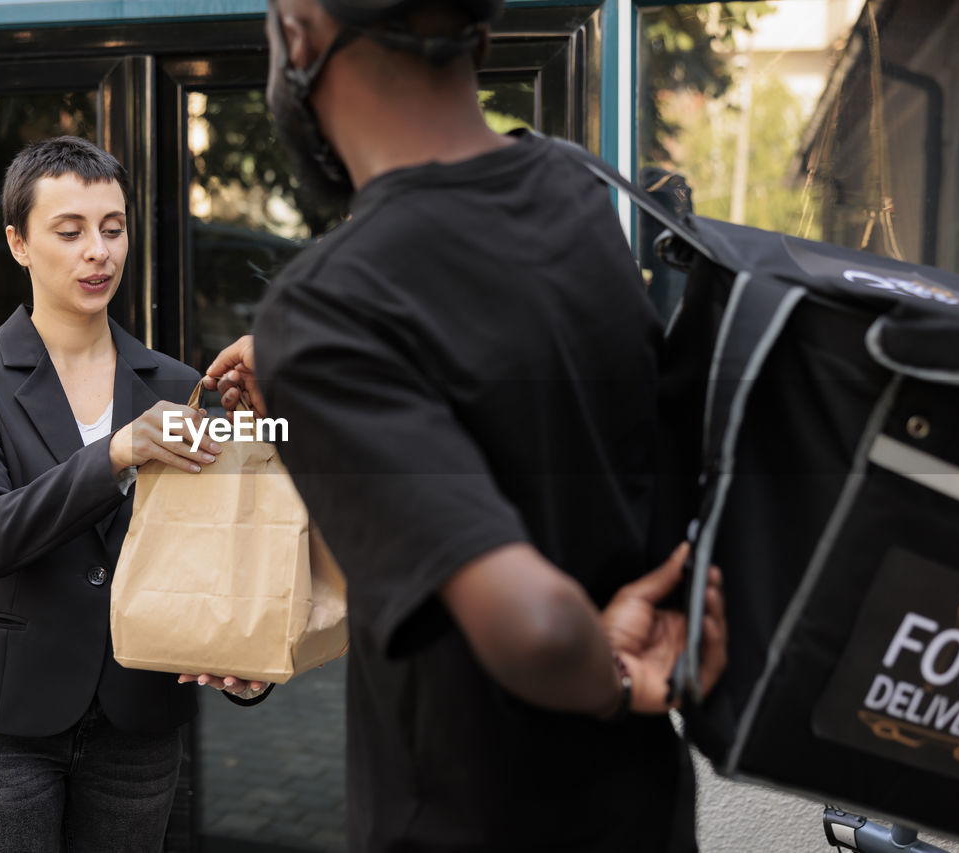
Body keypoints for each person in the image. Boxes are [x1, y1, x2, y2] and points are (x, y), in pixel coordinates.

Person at [202, 1, 728, 850]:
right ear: (479, 35)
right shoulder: (575, 188)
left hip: (465, 822)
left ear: (298, 37)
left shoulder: (328, 304)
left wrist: (615, 676)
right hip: (640, 810)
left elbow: (537, 624)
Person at [0, 135, 267, 853]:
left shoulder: (178, 385)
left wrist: (249, 670)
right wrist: (114, 453)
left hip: (137, 722)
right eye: (70, 231)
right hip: (0, 726)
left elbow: (215, 554)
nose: (98, 251)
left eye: (113, 229)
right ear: (19, 242)